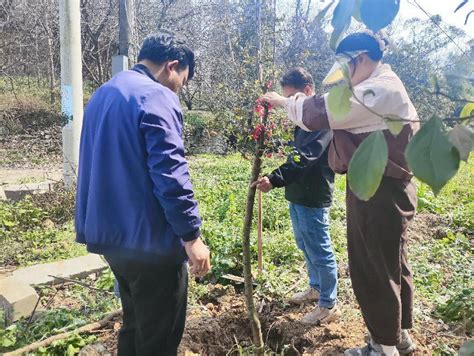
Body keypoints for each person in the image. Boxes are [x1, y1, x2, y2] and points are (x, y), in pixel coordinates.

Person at [262, 32, 418, 356]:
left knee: (374, 267)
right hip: (381, 187)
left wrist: (280, 101)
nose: (344, 78)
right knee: (390, 263)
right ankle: (397, 339)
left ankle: (383, 348)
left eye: (346, 69)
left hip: (380, 191)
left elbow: (322, 111)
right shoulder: (381, 86)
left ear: (361, 60)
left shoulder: (378, 90)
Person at [75, 31, 211, 356]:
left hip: (111, 238)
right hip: (149, 243)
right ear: (172, 66)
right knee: (159, 340)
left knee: (135, 325)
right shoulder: (156, 96)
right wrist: (191, 236)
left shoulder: (104, 93)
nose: (179, 88)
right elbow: (171, 174)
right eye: (182, 80)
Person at [254, 67, 339, 325]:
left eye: (293, 99)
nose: (289, 105)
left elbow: (306, 157)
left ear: (309, 92)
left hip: (314, 194)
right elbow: (295, 155)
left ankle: (328, 304)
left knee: (319, 248)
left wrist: (276, 178)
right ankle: (316, 288)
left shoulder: (321, 121)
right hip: (298, 192)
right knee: (305, 243)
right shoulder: (302, 121)